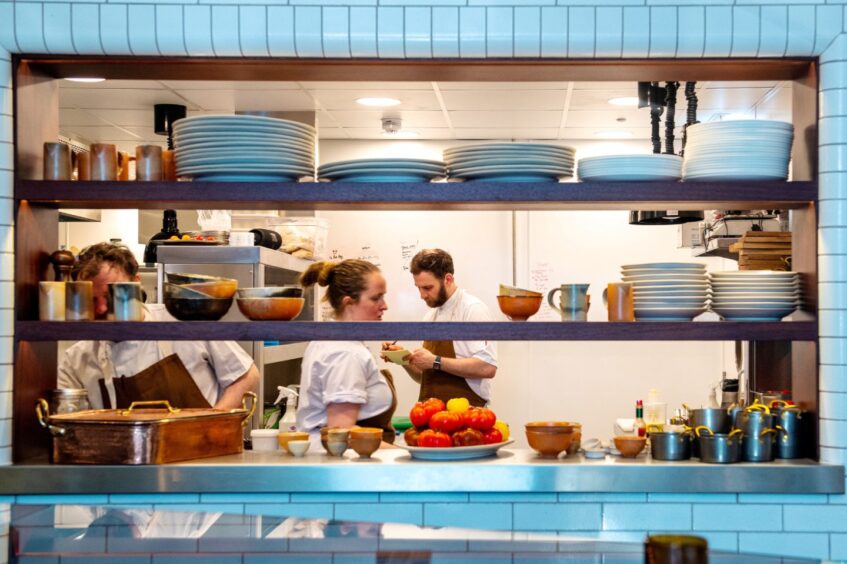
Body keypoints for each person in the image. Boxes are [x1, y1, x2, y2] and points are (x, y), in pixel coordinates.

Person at [58, 242, 259, 410]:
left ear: (136, 282)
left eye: (112, 294)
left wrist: (214, 424)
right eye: (91, 300)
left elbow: (247, 376)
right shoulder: (77, 358)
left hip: (200, 454)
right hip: (123, 456)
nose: (102, 308)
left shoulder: (182, 322)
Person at [296, 259, 397, 442]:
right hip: (341, 464)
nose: (385, 306)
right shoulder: (345, 353)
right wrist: (400, 456)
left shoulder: (332, 339)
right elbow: (341, 432)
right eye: (376, 298)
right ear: (349, 303)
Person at [385, 248, 497, 407]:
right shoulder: (431, 316)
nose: (422, 295)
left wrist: (435, 361)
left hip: (468, 419)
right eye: (418, 287)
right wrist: (404, 360)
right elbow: (427, 377)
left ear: (448, 279)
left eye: (427, 288)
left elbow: (487, 368)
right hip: (431, 416)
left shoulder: (473, 310)